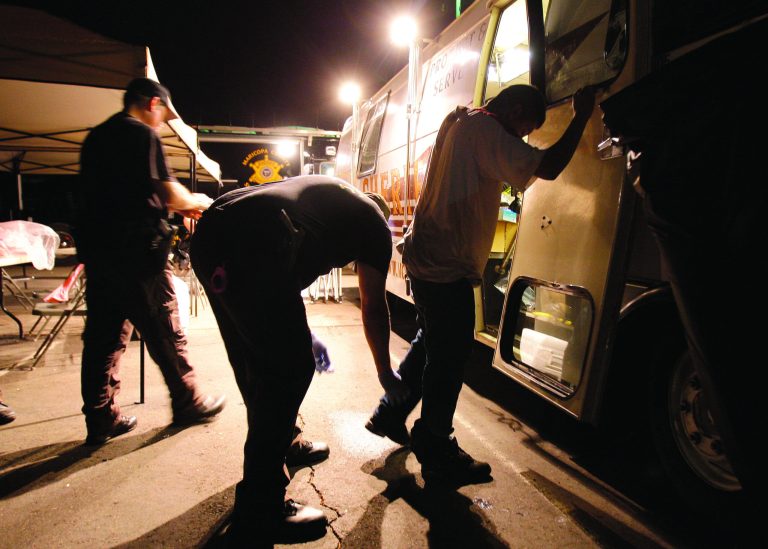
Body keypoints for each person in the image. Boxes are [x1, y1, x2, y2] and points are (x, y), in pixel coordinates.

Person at [366, 84, 595, 485]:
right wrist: (582, 116)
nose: (521, 138)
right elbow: (549, 166)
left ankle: (391, 410)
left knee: (432, 340)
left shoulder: (460, 119)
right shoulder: (487, 131)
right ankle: (435, 443)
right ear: (517, 110)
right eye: (526, 128)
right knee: (450, 357)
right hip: (446, 264)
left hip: (429, 256)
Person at [190, 175, 408, 544]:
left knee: (253, 360)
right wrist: (386, 372)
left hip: (211, 235)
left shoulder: (328, 199)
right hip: (255, 245)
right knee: (288, 371)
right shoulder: (374, 223)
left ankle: (283, 444)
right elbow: (373, 307)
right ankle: (261, 508)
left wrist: (303, 333)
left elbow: (279, 288)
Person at [75, 78, 226, 446]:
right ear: (153, 103)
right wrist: (201, 202)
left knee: (103, 338)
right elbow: (167, 192)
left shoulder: (95, 138)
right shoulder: (142, 134)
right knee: (163, 329)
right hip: (139, 254)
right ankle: (188, 401)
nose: (161, 122)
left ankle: (100, 418)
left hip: (100, 253)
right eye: (162, 114)